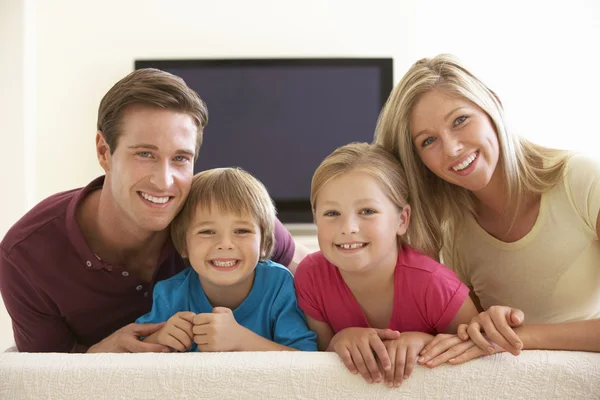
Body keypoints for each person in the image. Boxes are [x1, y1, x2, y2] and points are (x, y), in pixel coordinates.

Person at [0, 68, 309, 353]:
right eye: (145, 154)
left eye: (180, 158)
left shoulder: (219, 214)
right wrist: (98, 356)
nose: (164, 182)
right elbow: (42, 382)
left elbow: (321, 274)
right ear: (103, 152)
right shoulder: (26, 256)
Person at [374, 53, 600, 366]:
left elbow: (499, 342)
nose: (452, 148)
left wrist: (520, 336)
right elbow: (474, 341)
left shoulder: (583, 180)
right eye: (428, 141)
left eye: (460, 120)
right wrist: (477, 328)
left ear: (492, 103)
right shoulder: (453, 232)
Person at [294, 142, 484, 388]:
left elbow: (480, 354)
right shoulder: (311, 276)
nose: (348, 227)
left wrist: (426, 342)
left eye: (367, 211)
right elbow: (315, 367)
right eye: (331, 214)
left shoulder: (434, 284)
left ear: (402, 220)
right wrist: (338, 342)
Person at [136, 167, 316, 352]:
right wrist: (159, 338)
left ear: (265, 244)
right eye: (207, 232)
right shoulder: (169, 294)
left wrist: (241, 340)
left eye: (242, 231)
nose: (225, 244)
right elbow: (130, 360)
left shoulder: (279, 286)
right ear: (183, 245)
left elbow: (307, 360)